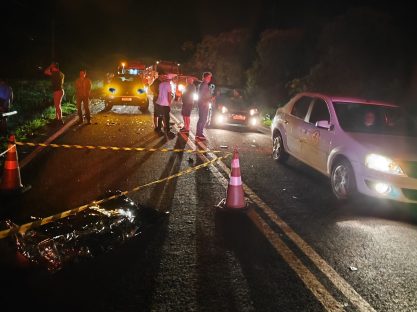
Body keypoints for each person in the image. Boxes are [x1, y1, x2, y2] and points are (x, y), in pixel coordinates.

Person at [156, 73, 175, 139]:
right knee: (167, 118)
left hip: (159, 103)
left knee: (160, 117)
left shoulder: (161, 84)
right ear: (169, 80)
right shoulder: (168, 85)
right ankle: (168, 131)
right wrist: (169, 104)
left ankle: (159, 129)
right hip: (165, 104)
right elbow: (169, 95)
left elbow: (159, 93)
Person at [196, 71, 213, 140]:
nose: (210, 79)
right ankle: (199, 133)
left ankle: (199, 133)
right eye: (209, 77)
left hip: (203, 104)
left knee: (202, 118)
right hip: (203, 104)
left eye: (210, 78)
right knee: (203, 119)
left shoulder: (203, 84)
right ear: (205, 78)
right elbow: (203, 96)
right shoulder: (204, 85)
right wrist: (209, 98)